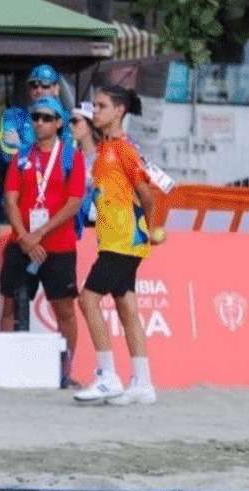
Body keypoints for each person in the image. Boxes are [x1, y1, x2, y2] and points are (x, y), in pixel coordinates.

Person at [74, 86, 167, 406]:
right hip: (116, 239)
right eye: (95, 106)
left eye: (101, 106)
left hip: (123, 240)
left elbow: (148, 195)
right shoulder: (107, 147)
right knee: (127, 308)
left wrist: (153, 230)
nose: (95, 111)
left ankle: (107, 376)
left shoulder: (124, 149)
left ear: (119, 111)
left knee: (87, 300)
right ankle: (143, 382)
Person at [0, 96, 85, 386]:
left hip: (58, 246)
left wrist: (40, 233)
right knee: (10, 305)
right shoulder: (22, 156)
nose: (40, 122)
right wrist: (25, 237)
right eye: (36, 117)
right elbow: (10, 200)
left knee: (64, 310)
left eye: (47, 118)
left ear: (59, 123)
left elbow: (74, 202)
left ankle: (65, 371)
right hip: (21, 243)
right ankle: (6, 370)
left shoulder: (72, 156)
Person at [71, 101, 99, 231]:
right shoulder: (70, 156)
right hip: (72, 227)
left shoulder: (104, 157)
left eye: (75, 121)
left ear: (90, 124)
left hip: (96, 230)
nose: (71, 126)